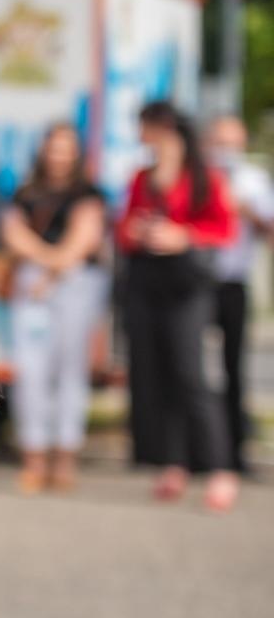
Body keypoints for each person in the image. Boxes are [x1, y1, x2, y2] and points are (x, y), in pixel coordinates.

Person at [117, 101, 240, 512]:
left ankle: (220, 469)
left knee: (192, 375)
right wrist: (136, 232)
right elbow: (124, 229)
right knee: (156, 373)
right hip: (146, 282)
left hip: (187, 287)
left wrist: (182, 235)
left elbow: (224, 228)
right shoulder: (142, 177)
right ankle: (174, 462)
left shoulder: (206, 176)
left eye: (145, 127)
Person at [1, 123, 108, 494]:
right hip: (34, 285)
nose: (59, 155)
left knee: (69, 370)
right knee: (31, 373)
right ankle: (34, 458)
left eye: (66, 148)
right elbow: (13, 235)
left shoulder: (88, 194)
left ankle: (64, 459)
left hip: (75, 284)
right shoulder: (25, 192)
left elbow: (85, 238)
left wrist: (52, 268)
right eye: (54, 147)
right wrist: (48, 264)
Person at [205, 114, 274, 475]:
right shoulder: (198, 176)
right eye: (220, 141)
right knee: (193, 370)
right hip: (197, 283)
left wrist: (246, 209)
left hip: (233, 282)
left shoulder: (254, 181)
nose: (225, 150)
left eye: (232, 143)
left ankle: (234, 452)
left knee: (234, 368)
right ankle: (196, 452)